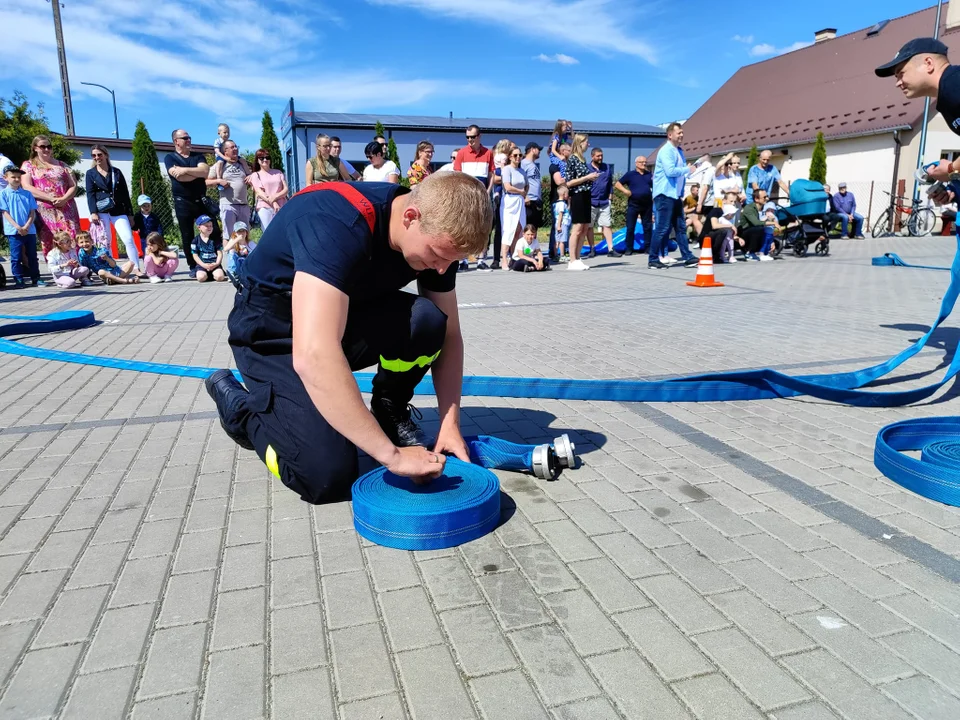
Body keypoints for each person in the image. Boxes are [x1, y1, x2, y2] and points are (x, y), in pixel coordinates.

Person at [204, 172, 493, 505]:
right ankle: (242, 412)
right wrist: (393, 458)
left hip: (335, 321)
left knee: (427, 321)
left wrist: (449, 423)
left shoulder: (438, 232)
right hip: (271, 334)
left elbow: (451, 335)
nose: (442, 269)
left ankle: (388, 410)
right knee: (326, 476)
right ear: (411, 217)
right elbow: (314, 355)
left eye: (452, 261)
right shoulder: (335, 224)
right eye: (439, 256)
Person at [165, 129, 221, 278]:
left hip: (200, 199)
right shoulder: (170, 158)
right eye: (185, 138)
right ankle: (193, 266)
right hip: (182, 201)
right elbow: (178, 178)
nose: (189, 140)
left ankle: (216, 262)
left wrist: (184, 170)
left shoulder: (198, 156)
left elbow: (204, 172)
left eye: (189, 137)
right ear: (176, 141)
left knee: (213, 229)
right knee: (187, 234)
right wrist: (194, 173)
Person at [20, 135, 81, 260]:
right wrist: (50, 198)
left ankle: (78, 268)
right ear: (35, 148)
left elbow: (73, 185)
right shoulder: (28, 165)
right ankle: (58, 271)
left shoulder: (62, 165)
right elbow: (26, 187)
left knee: (71, 236)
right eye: (43, 147)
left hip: (66, 207)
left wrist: (64, 198)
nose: (46, 149)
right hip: (45, 210)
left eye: (49, 146)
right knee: (50, 239)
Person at [85, 144, 141, 275]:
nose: (97, 157)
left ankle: (136, 267)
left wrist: (130, 214)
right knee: (106, 241)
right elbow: (90, 194)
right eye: (94, 155)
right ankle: (110, 268)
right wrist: (93, 212)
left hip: (118, 210)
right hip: (101, 211)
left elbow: (125, 194)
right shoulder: (90, 173)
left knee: (128, 238)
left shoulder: (116, 172)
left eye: (99, 154)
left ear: (105, 155)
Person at [650, 123, 699, 269]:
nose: (681, 135)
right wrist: (687, 169)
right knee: (662, 227)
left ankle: (687, 256)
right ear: (670, 135)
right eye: (679, 133)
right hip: (664, 194)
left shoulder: (679, 151)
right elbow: (670, 171)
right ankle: (653, 259)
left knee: (680, 227)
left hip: (675, 195)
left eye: (682, 132)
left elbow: (681, 174)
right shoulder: (666, 150)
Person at [0, 166, 43, 288]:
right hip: (13, 231)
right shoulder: (3, 194)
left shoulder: (27, 193)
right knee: (16, 256)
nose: (16, 179)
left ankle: (36, 277)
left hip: (29, 230)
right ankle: (18, 279)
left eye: (19, 177)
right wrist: (18, 227)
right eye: (13, 177)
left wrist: (27, 225)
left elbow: (32, 211)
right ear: (6, 178)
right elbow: (5, 212)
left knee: (32, 256)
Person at [565, 135, 600, 271]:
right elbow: (569, 182)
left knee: (585, 227)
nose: (588, 144)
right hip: (578, 195)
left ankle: (578, 258)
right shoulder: (573, 159)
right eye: (586, 142)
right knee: (577, 228)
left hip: (586, 194)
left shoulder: (582, 159)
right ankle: (572, 259)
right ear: (580, 143)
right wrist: (587, 177)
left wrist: (591, 179)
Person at [208, 139, 253, 236]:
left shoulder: (242, 163)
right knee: (229, 235)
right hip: (228, 206)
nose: (235, 149)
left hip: (243, 205)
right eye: (232, 147)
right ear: (225, 151)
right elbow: (206, 182)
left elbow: (251, 178)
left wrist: (250, 177)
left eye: (236, 146)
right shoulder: (219, 165)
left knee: (245, 236)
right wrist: (219, 181)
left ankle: (245, 251)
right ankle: (229, 251)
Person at [614, 156, 653, 255]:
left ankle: (648, 247)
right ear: (636, 163)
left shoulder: (649, 175)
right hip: (634, 204)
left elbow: (655, 185)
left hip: (647, 204)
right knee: (631, 227)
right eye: (641, 162)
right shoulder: (630, 174)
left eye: (645, 162)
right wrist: (626, 191)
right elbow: (617, 184)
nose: (644, 164)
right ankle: (629, 248)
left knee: (647, 226)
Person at [499, 146, 528, 269]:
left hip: (520, 201)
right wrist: (520, 191)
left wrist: (524, 192)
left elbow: (526, 185)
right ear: (510, 157)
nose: (518, 158)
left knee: (519, 229)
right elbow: (507, 186)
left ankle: (514, 256)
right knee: (509, 230)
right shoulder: (507, 169)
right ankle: (504, 258)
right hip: (509, 201)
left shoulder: (522, 171)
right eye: (515, 155)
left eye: (520, 155)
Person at [588, 147, 619, 258]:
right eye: (598, 156)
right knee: (589, 226)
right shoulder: (587, 168)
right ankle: (592, 248)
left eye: (601, 155)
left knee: (607, 225)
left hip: (604, 202)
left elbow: (610, 183)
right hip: (591, 202)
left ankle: (611, 249)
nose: (600, 158)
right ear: (592, 156)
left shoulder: (606, 167)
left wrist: (610, 196)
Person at [248, 149, 288, 230]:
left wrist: (275, 197)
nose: (265, 160)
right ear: (257, 160)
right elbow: (260, 193)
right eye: (261, 158)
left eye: (267, 157)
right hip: (264, 207)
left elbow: (286, 189)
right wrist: (274, 203)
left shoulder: (278, 172)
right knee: (268, 233)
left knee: (283, 232)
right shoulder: (255, 175)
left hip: (282, 207)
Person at [738, 189, 777, 261]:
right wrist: (774, 223)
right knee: (759, 228)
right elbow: (756, 223)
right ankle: (749, 252)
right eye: (764, 197)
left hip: (753, 232)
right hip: (743, 234)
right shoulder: (749, 208)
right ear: (756, 199)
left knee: (764, 231)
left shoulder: (764, 208)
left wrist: (772, 241)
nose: (767, 199)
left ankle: (763, 253)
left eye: (767, 196)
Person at [191, 215, 226, 283]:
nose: (209, 228)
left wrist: (216, 264)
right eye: (206, 226)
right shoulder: (195, 241)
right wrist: (204, 265)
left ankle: (213, 274)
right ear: (199, 227)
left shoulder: (215, 239)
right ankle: (205, 275)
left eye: (211, 226)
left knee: (220, 277)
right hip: (202, 265)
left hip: (214, 264)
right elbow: (195, 255)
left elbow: (220, 253)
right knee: (201, 278)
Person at [223, 221, 257, 286]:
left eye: (243, 231)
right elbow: (225, 249)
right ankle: (233, 274)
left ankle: (251, 273)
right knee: (232, 251)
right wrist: (236, 240)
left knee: (252, 253)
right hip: (237, 266)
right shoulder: (233, 241)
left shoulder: (250, 243)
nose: (241, 233)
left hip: (245, 266)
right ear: (235, 233)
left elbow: (257, 252)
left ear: (246, 232)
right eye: (239, 231)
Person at [521, 142, 543, 229]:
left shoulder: (534, 165)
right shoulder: (523, 163)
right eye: (538, 149)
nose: (539, 152)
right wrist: (525, 196)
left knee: (534, 228)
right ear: (532, 150)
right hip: (528, 201)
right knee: (527, 228)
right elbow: (520, 180)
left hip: (536, 201)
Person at [554, 185, 571, 261]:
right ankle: (562, 255)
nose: (568, 195)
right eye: (567, 193)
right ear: (564, 194)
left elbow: (567, 209)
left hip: (562, 224)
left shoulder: (560, 203)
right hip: (562, 224)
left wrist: (569, 202)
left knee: (558, 240)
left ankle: (556, 255)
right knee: (562, 241)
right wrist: (559, 226)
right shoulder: (561, 204)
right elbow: (560, 215)